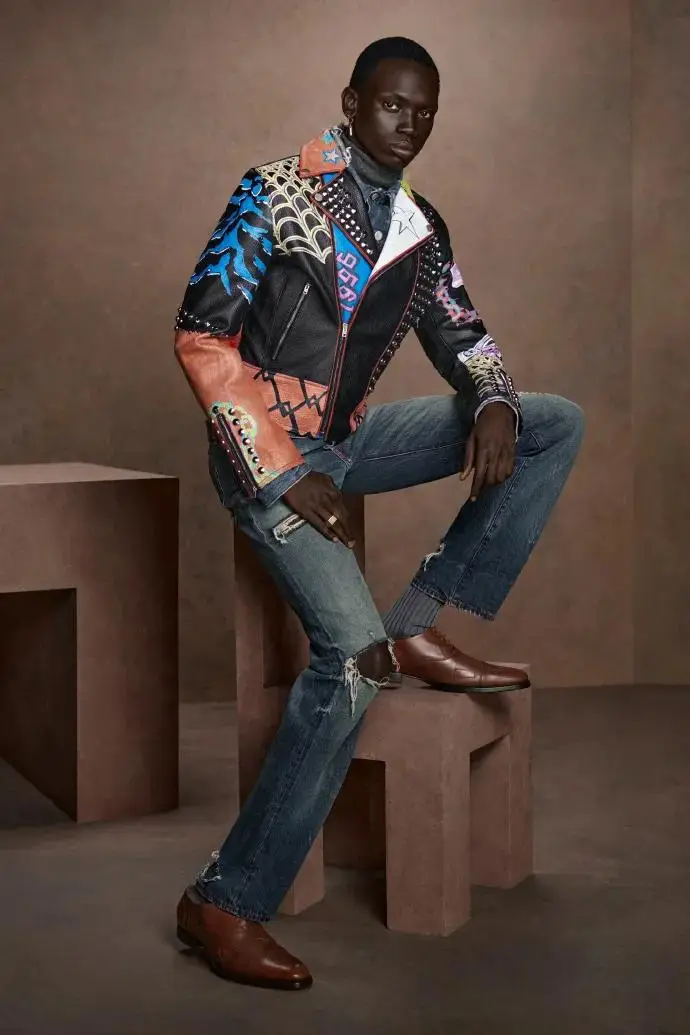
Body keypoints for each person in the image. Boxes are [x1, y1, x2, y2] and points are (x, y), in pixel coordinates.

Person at [173, 36, 584, 991]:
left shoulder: (419, 226)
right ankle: (224, 900)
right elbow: (202, 335)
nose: (411, 124)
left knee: (551, 421)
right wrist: (280, 469)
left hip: (348, 443)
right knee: (352, 661)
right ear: (353, 103)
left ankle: (420, 619)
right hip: (265, 456)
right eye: (395, 105)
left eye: (426, 111)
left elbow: (462, 330)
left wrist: (491, 397)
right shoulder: (274, 191)